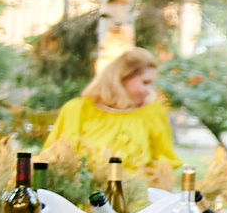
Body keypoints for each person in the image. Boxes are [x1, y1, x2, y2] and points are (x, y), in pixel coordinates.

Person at [47, 46, 181, 173]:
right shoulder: (77, 109)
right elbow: (55, 159)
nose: (149, 91)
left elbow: (163, 163)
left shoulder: (152, 112)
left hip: (137, 194)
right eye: (145, 83)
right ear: (122, 77)